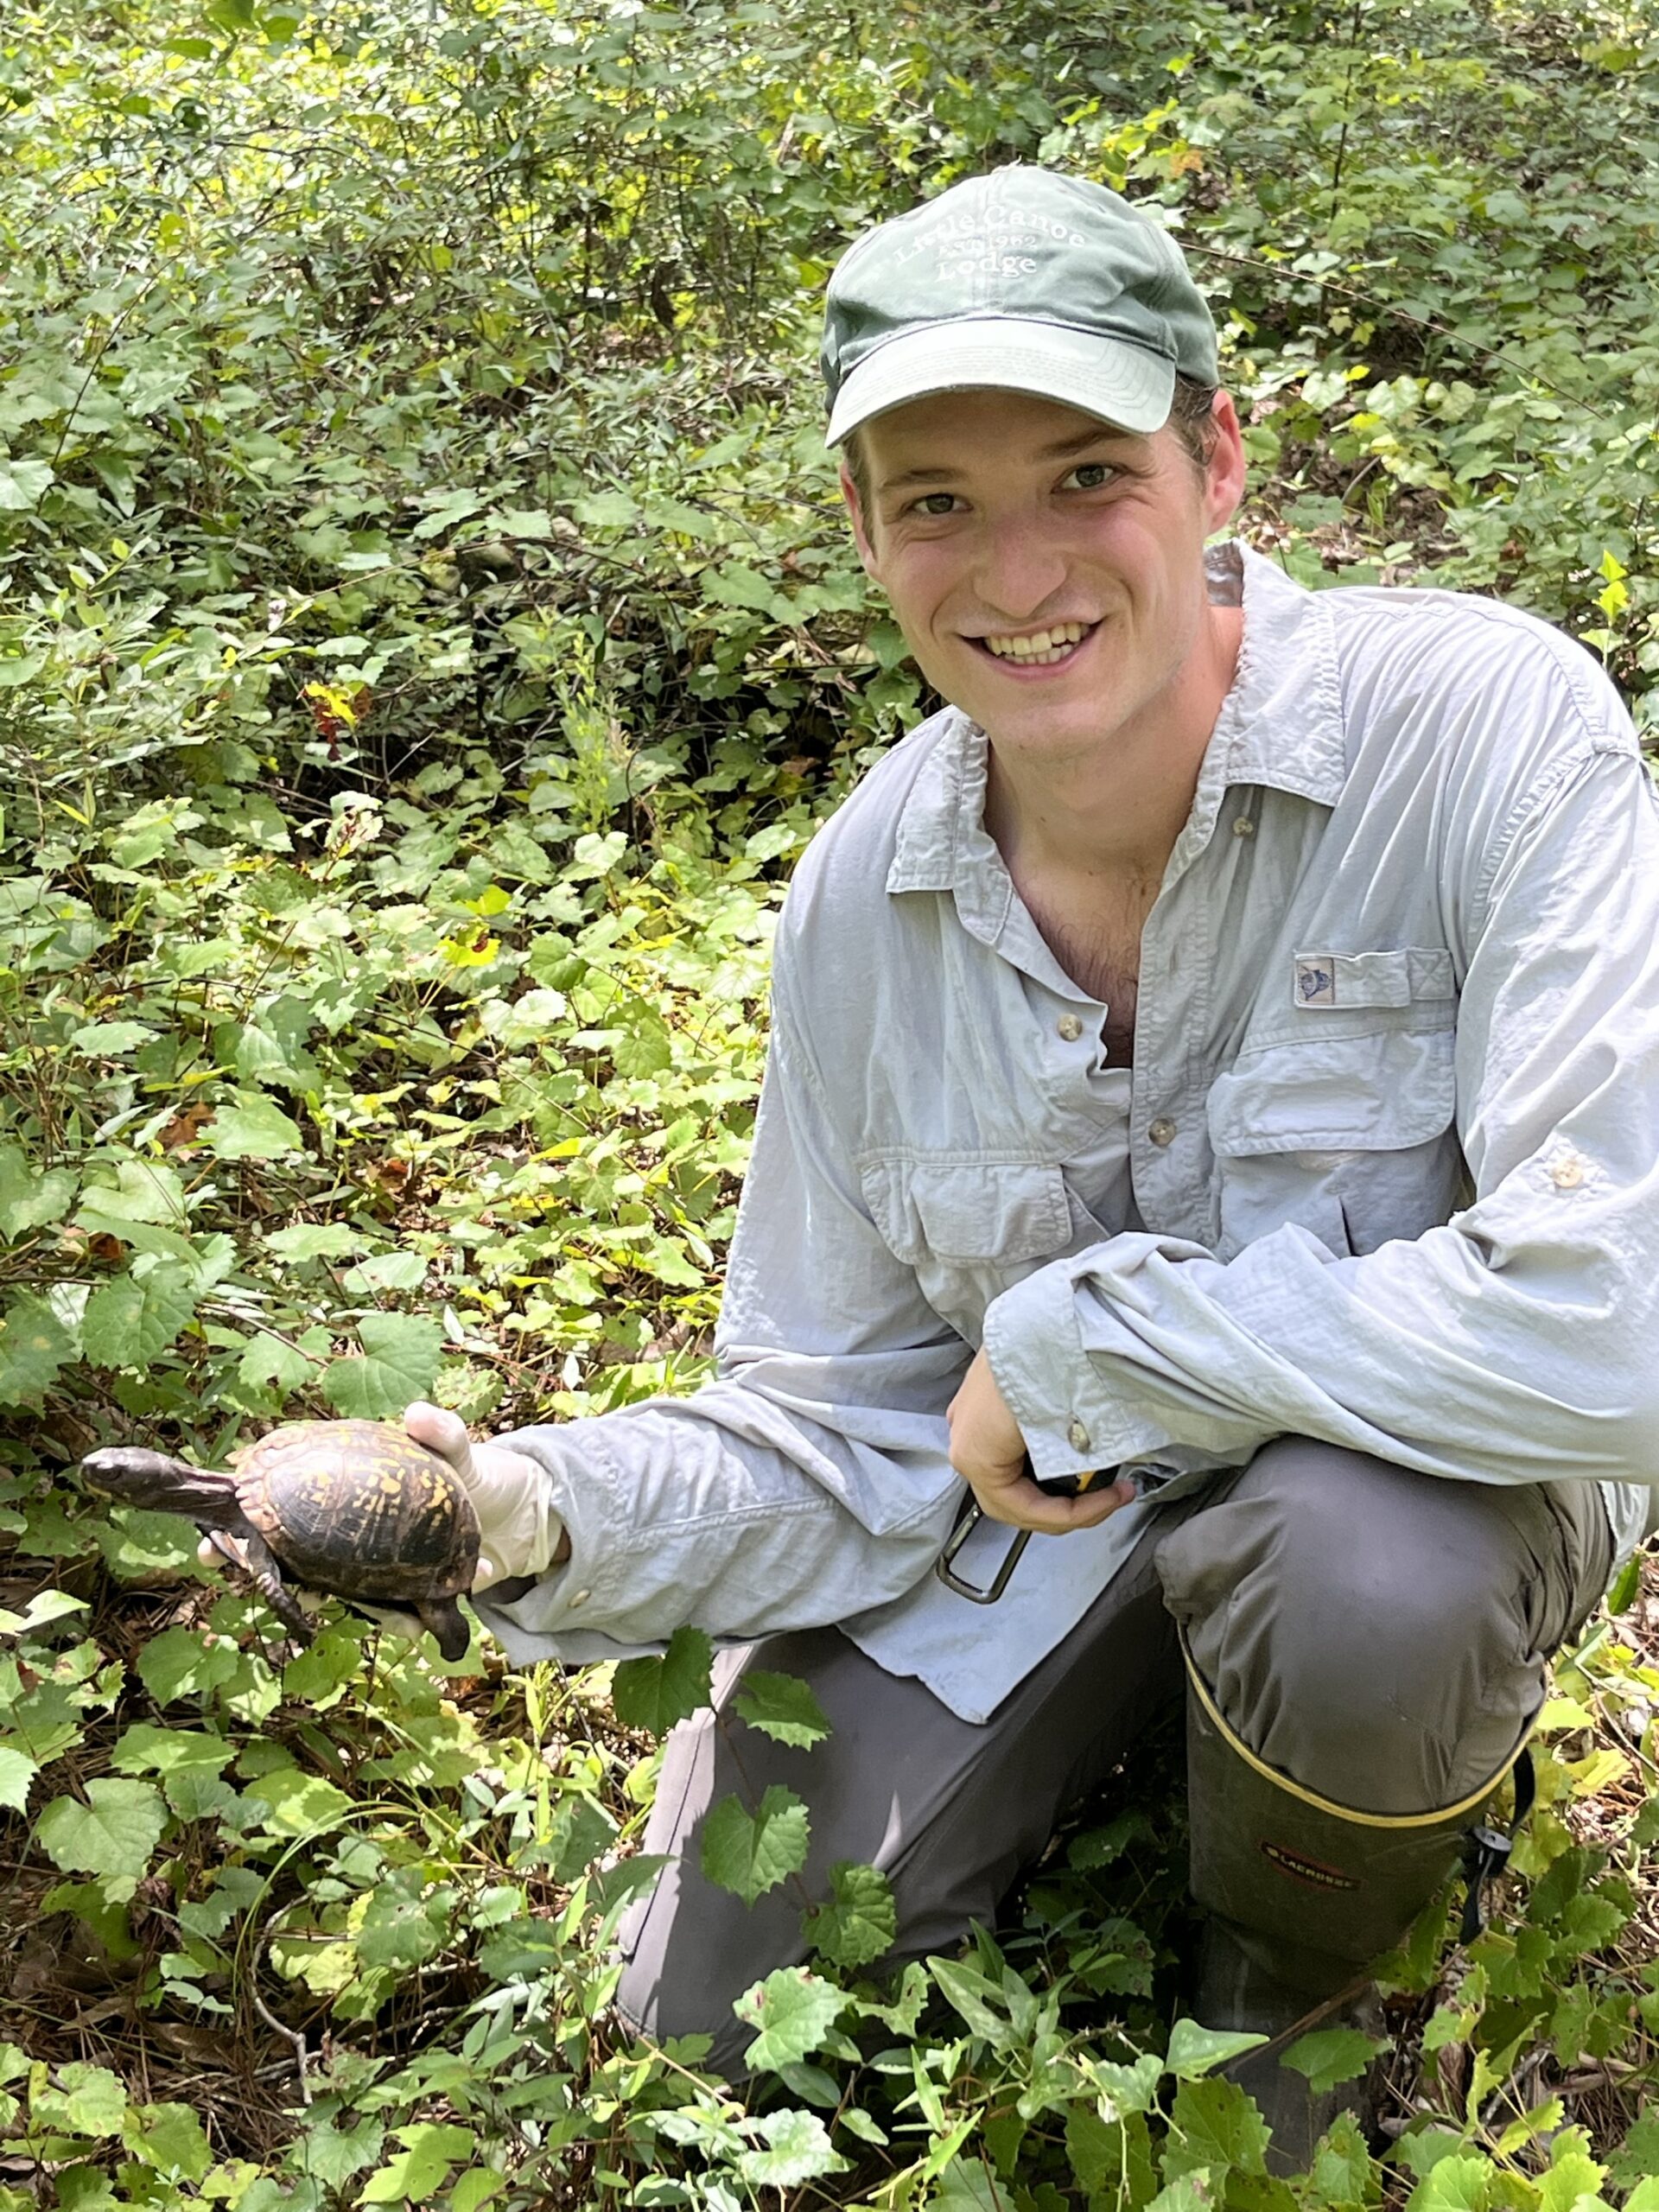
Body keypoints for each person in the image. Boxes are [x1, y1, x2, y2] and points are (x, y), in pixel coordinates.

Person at [233, 167, 1659, 2159]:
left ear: (1216, 452)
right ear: (864, 531)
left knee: (1364, 1575)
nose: (1020, 567)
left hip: (1408, 1489)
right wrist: (527, 1511)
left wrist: (1091, 1346)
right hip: (1052, 1518)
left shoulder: (1486, 728)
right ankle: (1156, 1699)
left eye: (1087, 472)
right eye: (937, 501)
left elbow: (1624, 1326)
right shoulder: (862, 908)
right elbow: (833, 1416)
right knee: (716, 2008)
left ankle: (1291, 1970)